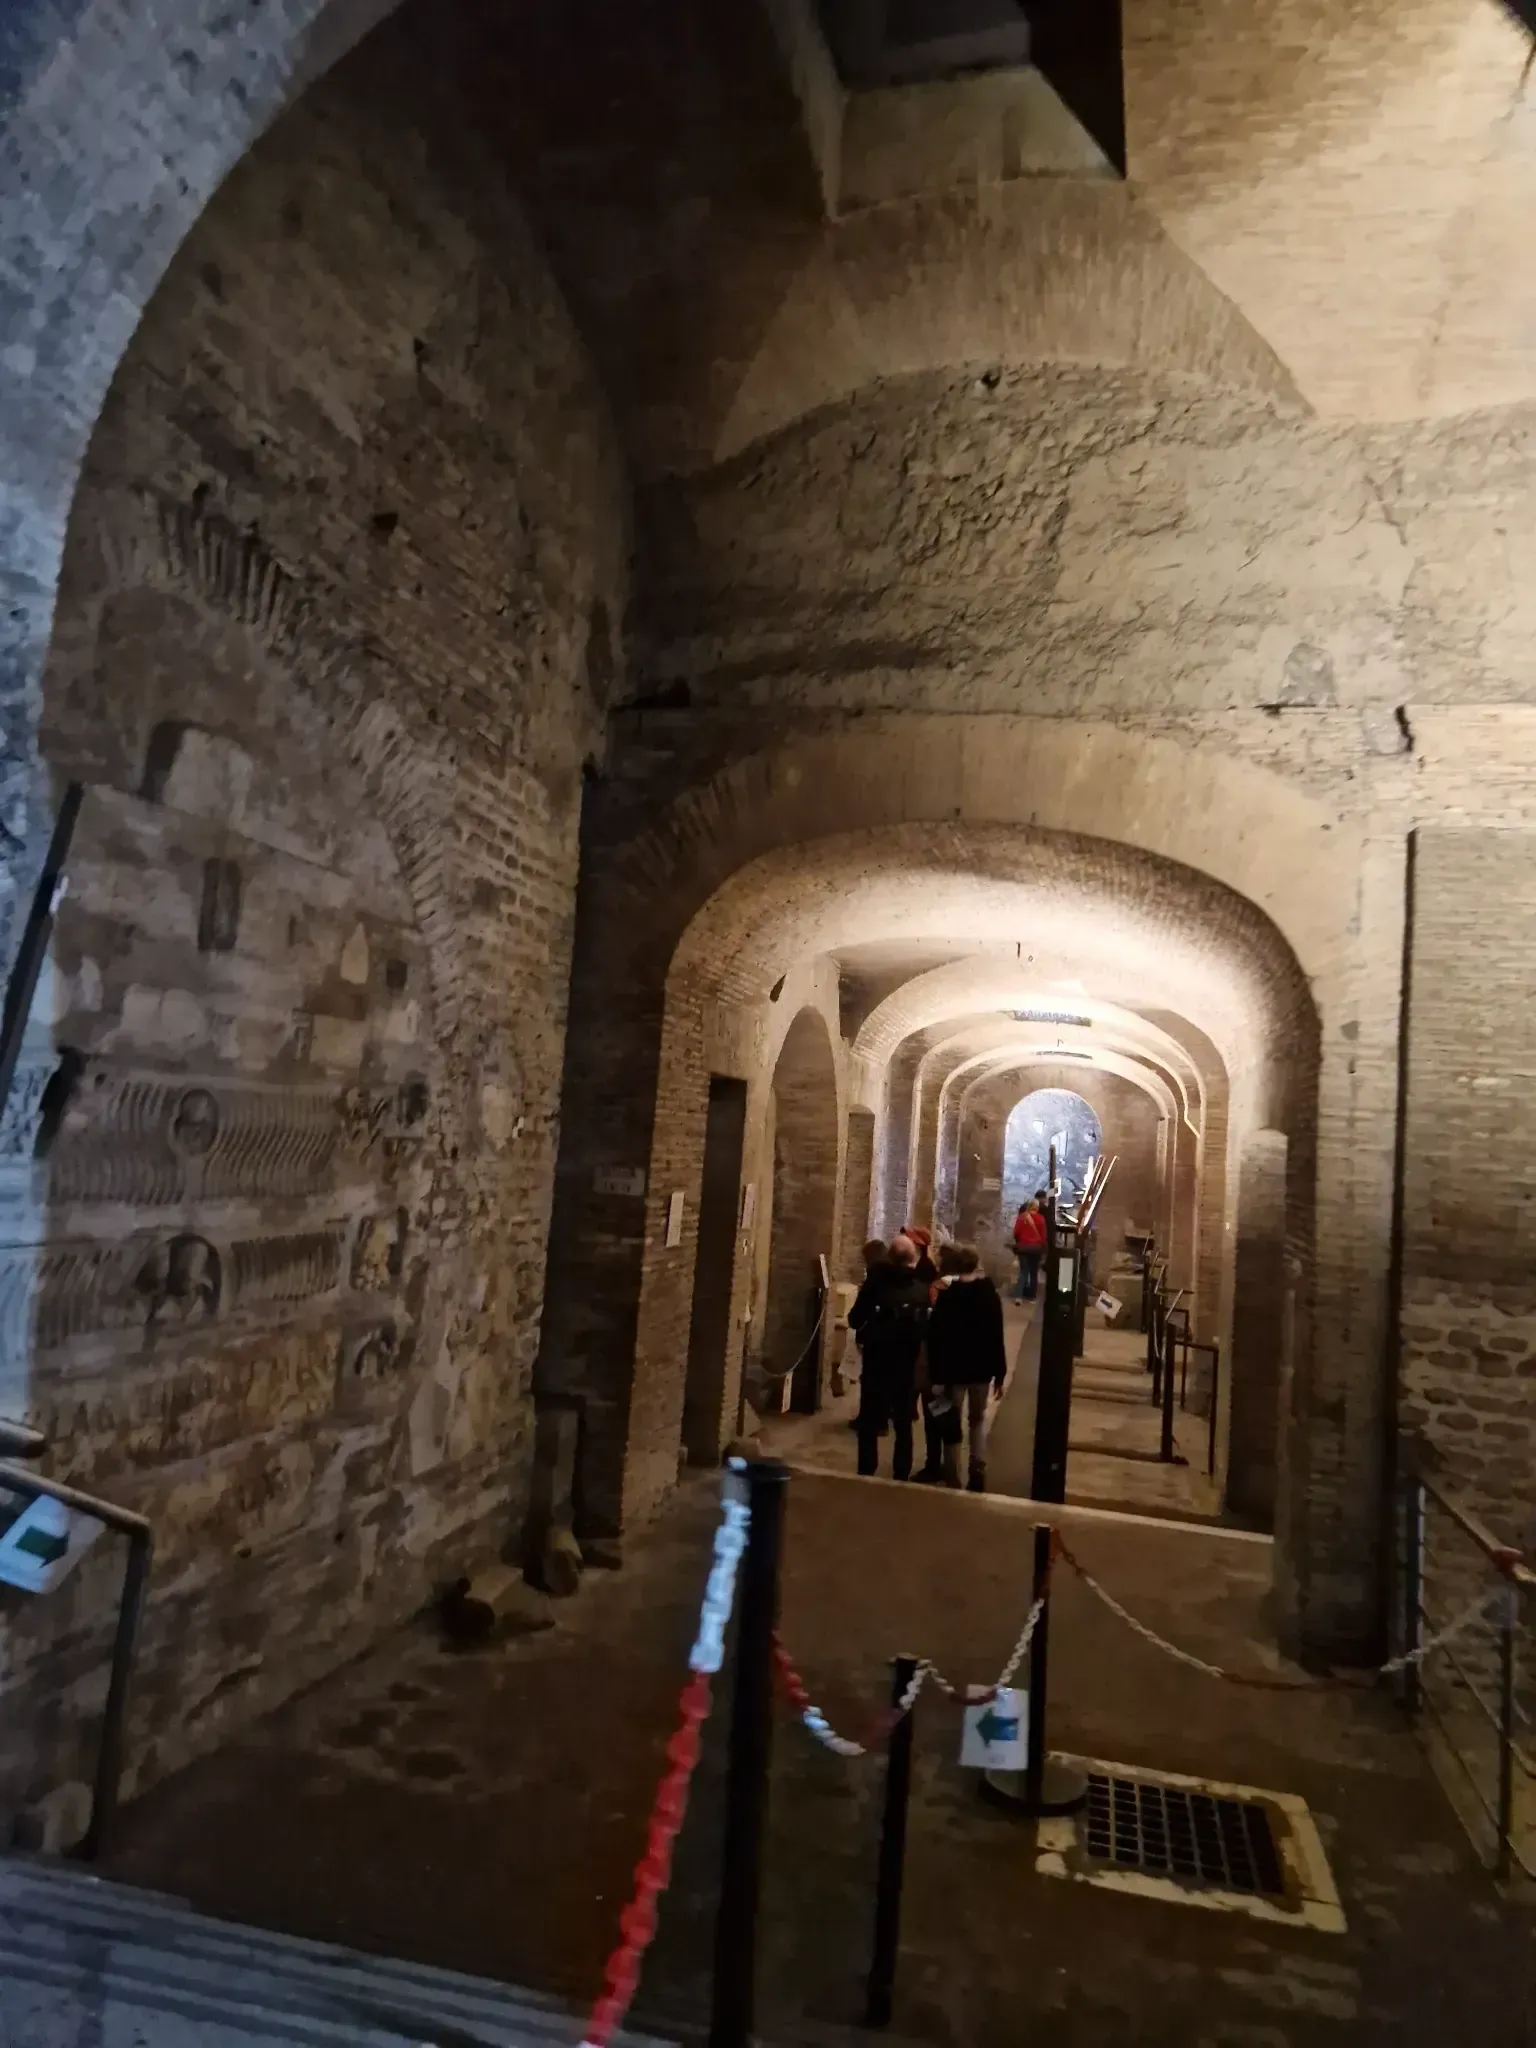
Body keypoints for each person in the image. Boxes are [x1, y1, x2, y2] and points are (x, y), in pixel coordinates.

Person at [923, 1241, 1008, 1491]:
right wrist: (1000, 1375)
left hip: (953, 1372)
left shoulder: (948, 1298)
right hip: (981, 1370)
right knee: (977, 1420)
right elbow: (996, 1336)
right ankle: (977, 1466)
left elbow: (936, 1338)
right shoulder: (989, 1296)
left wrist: (935, 1374)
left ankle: (952, 1474)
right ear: (977, 1265)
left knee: (952, 1420)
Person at [847, 1234, 929, 1481]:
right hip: (906, 1362)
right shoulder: (921, 1290)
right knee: (903, 1420)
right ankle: (901, 1470)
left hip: (876, 1358)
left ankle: (866, 1468)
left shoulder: (876, 1284)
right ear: (912, 1258)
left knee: (870, 1418)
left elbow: (854, 1319)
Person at [1011, 1196, 1046, 1301]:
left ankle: (1018, 1296)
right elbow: (1043, 1236)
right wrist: (1042, 1246)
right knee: (1034, 1272)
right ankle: (1032, 1296)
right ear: (1037, 1207)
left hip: (1023, 1248)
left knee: (1023, 1272)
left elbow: (1016, 1232)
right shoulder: (1041, 1218)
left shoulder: (1022, 1217)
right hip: (1035, 1249)